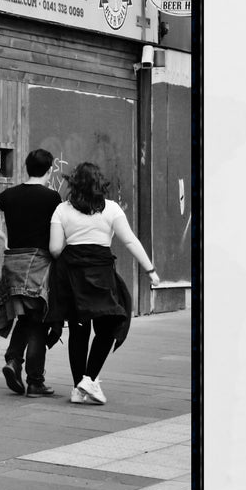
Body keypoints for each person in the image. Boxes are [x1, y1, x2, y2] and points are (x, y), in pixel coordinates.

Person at [48, 162, 161, 405]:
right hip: (101, 274)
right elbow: (130, 241)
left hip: (72, 275)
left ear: (74, 183)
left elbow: (55, 248)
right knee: (110, 324)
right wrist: (150, 270)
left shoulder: (61, 210)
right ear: (101, 183)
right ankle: (88, 380)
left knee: (79, 331)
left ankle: (80, 386)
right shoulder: (111, 209)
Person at [0, 148, 63, 397]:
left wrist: (3, 235)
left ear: (27, 167)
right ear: (49, 170)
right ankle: (34, 380)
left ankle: (14, 361)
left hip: (13, 264)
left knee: (25, 318)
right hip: (38, 264)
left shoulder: (10, 194)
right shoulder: (52, 198)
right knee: (38, 322)